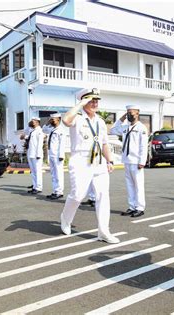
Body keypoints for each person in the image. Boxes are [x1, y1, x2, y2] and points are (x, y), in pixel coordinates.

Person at [59, 88, 119, 244]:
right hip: (81, 160)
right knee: (78, 195)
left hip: (98, 161)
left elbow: (104, 143)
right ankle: (66, 218)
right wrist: (80, 104)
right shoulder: (77, 118)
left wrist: (109, 160)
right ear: (83, 101)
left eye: (96, 100)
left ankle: (104, 232)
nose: (94, 103)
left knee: (102, 195)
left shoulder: (99, 121)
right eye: (91, 100)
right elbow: (65, 120)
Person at [110, 105, 148, 217]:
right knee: (129, 185)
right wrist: (121, 119)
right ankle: (132, 207)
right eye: (127, 113)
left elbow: (143, 146)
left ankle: (140, 208)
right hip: (127, 160)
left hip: (136, 161)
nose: (129, 115)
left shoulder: (142, 128)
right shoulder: (126, 127)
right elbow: (112, 130)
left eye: (131, 113)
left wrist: (142, 161)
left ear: (137, 113)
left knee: (138, 185)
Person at [43, 113, 66, 199]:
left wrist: (61, 155)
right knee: (53, 174)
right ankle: (55, 191)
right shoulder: (52, 129)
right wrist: (48, 121)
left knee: (58, 174)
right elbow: (44, 129)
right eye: (51, 119)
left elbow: (62, 144)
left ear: (58, 120)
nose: (52, 120)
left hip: (57, 155)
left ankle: (59, 192)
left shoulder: (61, 130)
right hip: (51, 154)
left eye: (53, 119)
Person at [26, 117, 44, 194]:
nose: (31, 122)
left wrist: (39, 154)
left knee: (38, 171)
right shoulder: (32, 131)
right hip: (31, 153)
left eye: (33, 121)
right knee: (33, 171)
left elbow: (40, 144)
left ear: (37, 122)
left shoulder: (39, 131)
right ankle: (34, 186)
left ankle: (39, 187)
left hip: (36, 155)